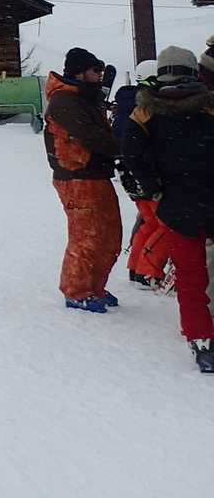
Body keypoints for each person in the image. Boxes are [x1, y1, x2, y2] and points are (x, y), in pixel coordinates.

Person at [123, 46, 214, 374]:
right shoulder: (209, 105)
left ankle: (201, 340)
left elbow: (131, 152)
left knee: (190, 278)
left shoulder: (146, 111)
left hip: (177, 205)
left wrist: (154, 187)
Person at [44, 47, 123, 312]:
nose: (100, 74)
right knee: (86, 236)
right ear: (79, 72)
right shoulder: (65, 101)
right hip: (76, 177)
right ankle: (76, 291)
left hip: (96, 174)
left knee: (109, 236)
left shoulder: (85, 99)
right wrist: (124, 147)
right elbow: (92, 136)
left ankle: (95, 286)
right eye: (95, 70)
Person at [113, 60, 171, 288]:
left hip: (131, 174)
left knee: (151, 222)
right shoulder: (146, 107)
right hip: (146, 174)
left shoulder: (125, 105)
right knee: (165, 225)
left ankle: (137, 268)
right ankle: (148, 271)